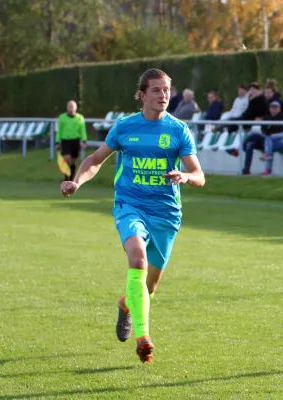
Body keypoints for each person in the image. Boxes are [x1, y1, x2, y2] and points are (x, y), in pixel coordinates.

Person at [59, 68, 205, 363]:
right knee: (136, 258)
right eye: (156, 90)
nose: (164, 95)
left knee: (148, 288)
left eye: (167, 90)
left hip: (165, 213)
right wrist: (77, 181)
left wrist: (186, 177)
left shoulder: (178, 130)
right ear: (142, 95)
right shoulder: (125, 127)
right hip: (130, 204)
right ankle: (144, 337)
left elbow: (199, 175)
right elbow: (95, 159)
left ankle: (127, 304)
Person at [55, 100, 87, 181]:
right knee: (66, 158)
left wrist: (84, 141)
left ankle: (71, 178)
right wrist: (57, 142)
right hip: (65, 141)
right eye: (70, 107)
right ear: (67, 108)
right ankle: (66, 176)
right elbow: (59, 130)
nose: (71, 108)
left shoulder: (80, 118)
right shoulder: (62, 117)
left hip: (75, 141)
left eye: (73, 107)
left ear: (76, 108)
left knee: (73, 161)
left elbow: (82, 130)